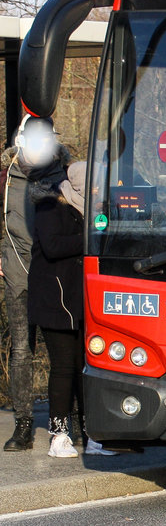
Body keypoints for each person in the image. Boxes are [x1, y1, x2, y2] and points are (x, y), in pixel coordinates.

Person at [28, 160, 114, 457]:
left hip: (82, 301)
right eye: (95, 183)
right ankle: (59, 435)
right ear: (81, 183)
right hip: (56, 300)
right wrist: (91, 240)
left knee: (86, 368)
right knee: (63, 368)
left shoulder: (91, 211)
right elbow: (52, 246)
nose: (99, 190)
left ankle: (93, 436)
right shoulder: (51, 206)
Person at [1, 116, 50, 451]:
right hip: (16, 275)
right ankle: (23, 424)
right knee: (21, 351)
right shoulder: (4, 177)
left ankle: (71, 421)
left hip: (51, 276)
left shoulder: (57, 173)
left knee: (64, 352)